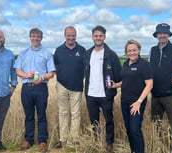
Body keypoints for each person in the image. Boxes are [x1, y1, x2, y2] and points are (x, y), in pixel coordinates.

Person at [14, 28, 55, 152]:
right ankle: (28, 140)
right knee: (29, 116)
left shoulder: (47, 53)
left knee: (42, 115)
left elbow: (51, 73)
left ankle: (42, 141)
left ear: (41, 38)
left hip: (41, 88)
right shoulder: (23, 53)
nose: (35, 38)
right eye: (33, 36)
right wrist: (26, 75)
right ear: (30, 37)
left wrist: (42, 78)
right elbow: (17, 70)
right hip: (27, 88)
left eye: (38, 36)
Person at [148, 23, 172, 147]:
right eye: (160, 33)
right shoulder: (152, 50)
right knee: (155, 123)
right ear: (156, 35)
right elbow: (149, 69)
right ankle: (159, 146)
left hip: (170, 95)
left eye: (165, 33)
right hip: (155, 94)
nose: (162, 35)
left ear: (169, 34)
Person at [84, 25, 122, 153]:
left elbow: (119, 75)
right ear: (92, 37)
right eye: (96, 36)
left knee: (109, 120)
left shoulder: (111, 55)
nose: (98, 38)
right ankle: (96, 141)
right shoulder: (88, 53)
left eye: (100, 36)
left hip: (106, 94)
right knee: (94, 120)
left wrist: (115, 85)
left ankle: (109, 143)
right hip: (91, 93)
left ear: (104, 37)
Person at [112, 40, 153, 153]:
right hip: (124, 101)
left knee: (135, 129)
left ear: (139, 50)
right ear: (126, 52)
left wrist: (139, 102)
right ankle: (133, 150)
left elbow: (149, 85)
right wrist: (116, 85)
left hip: (137, 103)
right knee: (129, 129)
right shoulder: (125, 64)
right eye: (129, 51)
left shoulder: (144, 65)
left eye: (134, 50)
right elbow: (125, 80)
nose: (132, 53)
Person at [53, 26, 86, 148]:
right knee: (63, 112)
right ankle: (63, 140)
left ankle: (75, 139)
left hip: (77, 87)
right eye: (69, 35)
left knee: (76, 113)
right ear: (65, 35)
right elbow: (56, 66)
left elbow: (85, 68)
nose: (71, 37)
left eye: (73, 35)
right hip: (61, 85)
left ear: (76, 36)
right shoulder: (58, 50)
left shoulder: (82, 50)